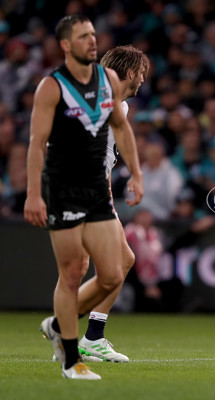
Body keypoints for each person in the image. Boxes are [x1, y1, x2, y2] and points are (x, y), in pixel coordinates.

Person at [24, 15, 143, 380]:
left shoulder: (108, 88)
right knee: (74, 272)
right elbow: (36, 143)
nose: (93, 41)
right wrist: (33, 193)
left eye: (94, 34)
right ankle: (73, 353)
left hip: (97, 192)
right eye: (83, 36)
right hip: (64, 188)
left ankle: (69, 329)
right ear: (65, 45)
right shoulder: (52, 86)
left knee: (114, 270)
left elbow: (120, 133)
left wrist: (137, 174)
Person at [71, 45, 149, 363]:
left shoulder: (109, 101)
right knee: (95, 266)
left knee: (119, 261)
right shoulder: (103, 101)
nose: (143, 79)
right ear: (130, 73)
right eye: (141, 73)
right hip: (85, 191)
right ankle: (66, 331)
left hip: (93, 191)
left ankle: (88, 337)